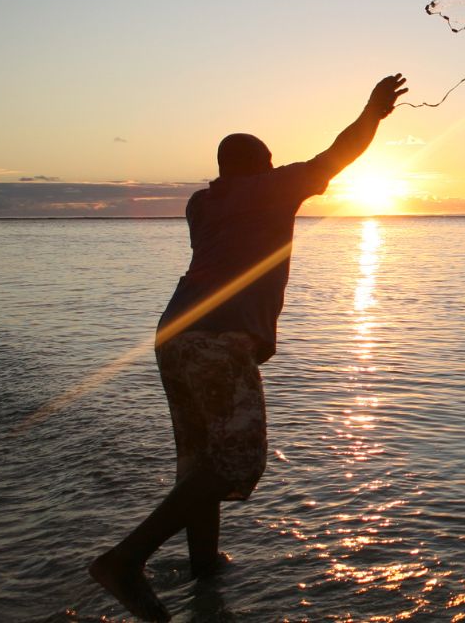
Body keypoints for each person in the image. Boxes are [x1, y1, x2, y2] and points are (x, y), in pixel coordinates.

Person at [90, 74, 408, 621]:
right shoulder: (269, 189)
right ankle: (125, 560)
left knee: (199, 462)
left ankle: (205, 569)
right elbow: (338, 154)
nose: (275, 169)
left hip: (174, 337)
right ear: (260, 166)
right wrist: (372, 112)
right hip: (218, 339)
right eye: (269, 162)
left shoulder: (201, 203)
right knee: (240, 462)